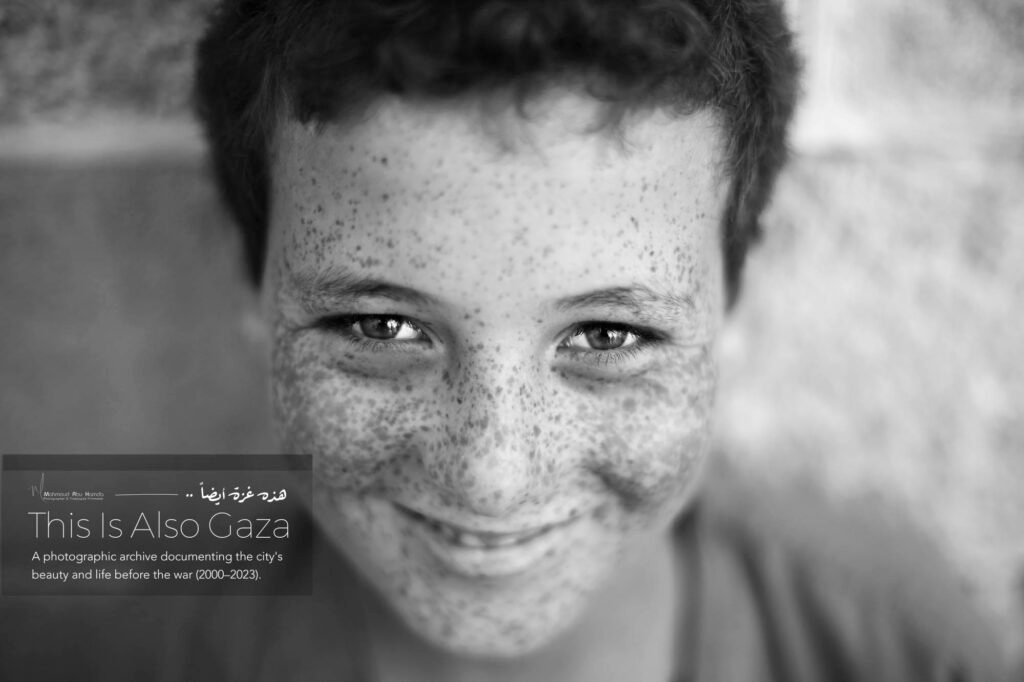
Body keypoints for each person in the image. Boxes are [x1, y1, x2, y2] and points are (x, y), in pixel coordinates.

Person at [164, 0, 1004, 680]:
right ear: (253, 286)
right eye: (382, 327)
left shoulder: (895, 649)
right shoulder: (121, 633)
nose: (492, 480)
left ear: (736, 302)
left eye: (608, 334)